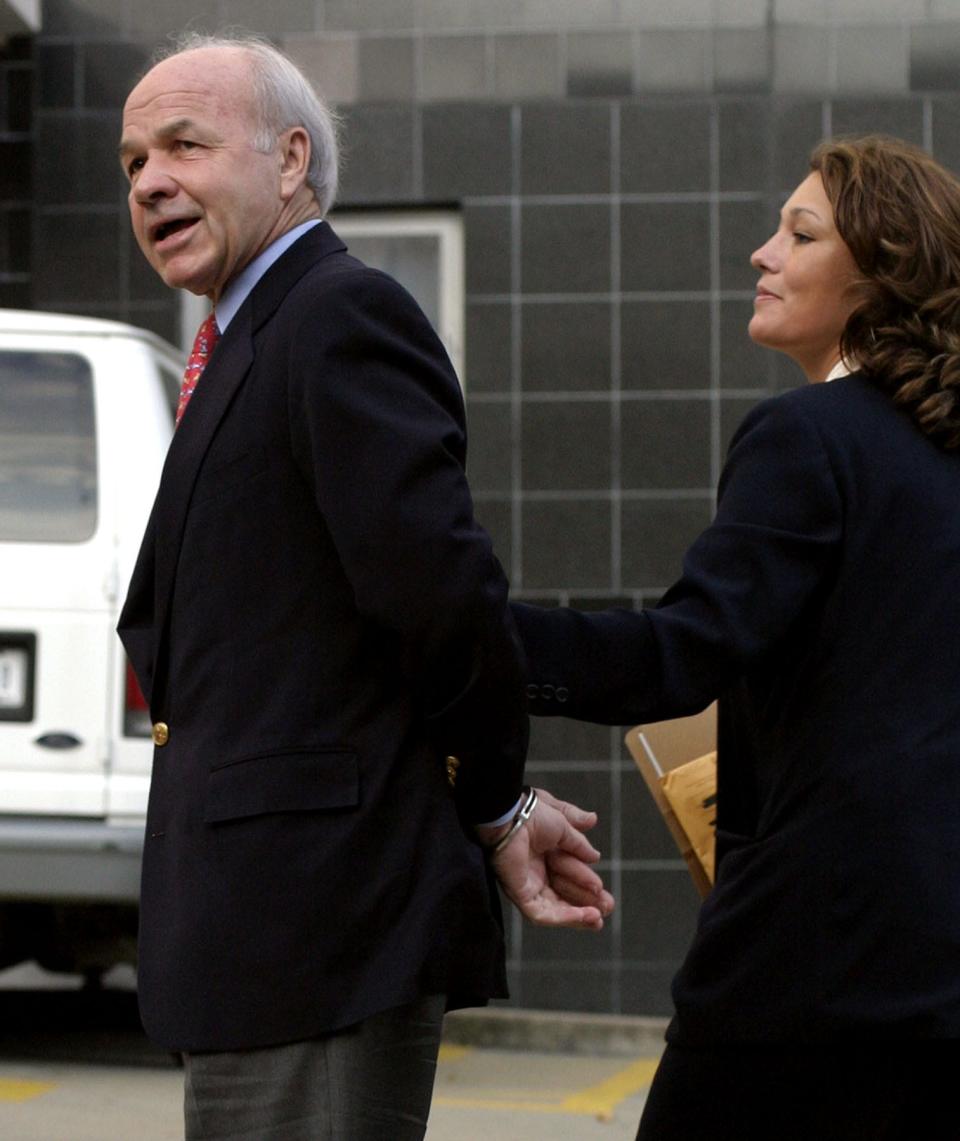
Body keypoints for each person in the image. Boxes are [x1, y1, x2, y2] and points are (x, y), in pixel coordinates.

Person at [116, 31, 613, 1141]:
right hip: (259, 932)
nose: (150, 180)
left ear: (290, 160)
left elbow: (440, 595)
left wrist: (495, 796)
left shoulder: (335, 315)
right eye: (133, 160)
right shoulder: (246, 341)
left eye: (184, 145)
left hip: (321, 926)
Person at [512, 135, 960, 1140]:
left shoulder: (809, 436)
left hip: (812, 961)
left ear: (877, 274)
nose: (762, 253)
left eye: (799, 233)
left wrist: (473, 640)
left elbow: (685, 653)